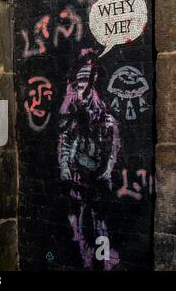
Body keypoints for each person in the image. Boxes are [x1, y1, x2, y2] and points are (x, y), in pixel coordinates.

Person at [58, 49, 120, 270]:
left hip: (96, 177)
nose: (80, 84)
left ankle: (102, 263)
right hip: (77, 176)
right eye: (78, 79)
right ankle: (85, 260)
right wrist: (65, 166)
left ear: (93, 79)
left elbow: (111, 148)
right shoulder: (72, 110)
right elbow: (65, 141)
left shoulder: (103, 114)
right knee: (78, 223)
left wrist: (104, 173)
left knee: (100, 223)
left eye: (85, 78)